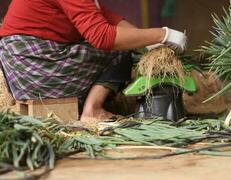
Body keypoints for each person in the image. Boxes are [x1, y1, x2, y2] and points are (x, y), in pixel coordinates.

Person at [0, 0, 187, 121]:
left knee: (116, 43)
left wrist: (148, 43)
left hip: (23, 65)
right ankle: (93, 110)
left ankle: (89, 106)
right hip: (35, 61)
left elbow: (105, 16)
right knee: (118, 50)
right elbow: (103, 37)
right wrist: (163, 34)